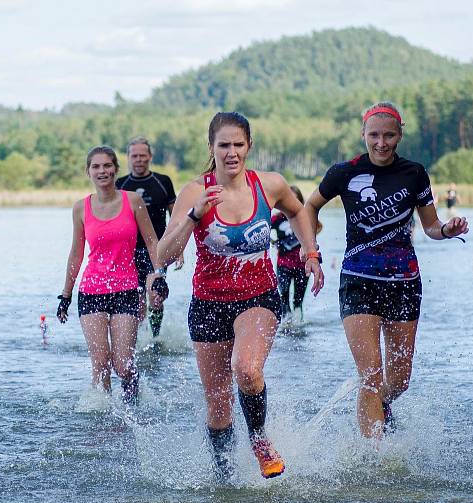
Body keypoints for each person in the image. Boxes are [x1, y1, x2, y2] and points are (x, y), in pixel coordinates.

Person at [157, 112, 324, 479]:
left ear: (249, 145)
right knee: (218, 406)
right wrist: (193, 214)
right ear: (211, 148)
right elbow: (163, 255)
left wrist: (311, 254)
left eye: (238, 144)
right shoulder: (194, 191)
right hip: (208, 302)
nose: (231, 153)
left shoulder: (270, 185)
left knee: (247, 370)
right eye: (223, 145)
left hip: (259, 296)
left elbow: (299, 212)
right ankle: (225, 480)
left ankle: (260, 440)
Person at [304, 102, 468, 438]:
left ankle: (380, 407)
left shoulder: (414, 173)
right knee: (370, 376)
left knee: (399, 381)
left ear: (400, 135)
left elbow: (431, 225)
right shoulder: (344, 172)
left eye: (389, 135)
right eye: (374, 135)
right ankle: (372, 458)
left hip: (404, 283)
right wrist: (311, 251)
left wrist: (446, 230)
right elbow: (309, 207)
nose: (382, 142)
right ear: (363, 134)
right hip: (358, 280)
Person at [57, 145, 167, 404]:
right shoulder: (81, 208)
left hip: (127, 290)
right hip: (92, 292)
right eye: (96, 166)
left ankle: (132, 410)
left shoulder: (133, 201)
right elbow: (76, 254)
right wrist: (65, 295)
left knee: (123, 365)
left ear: (116, 169)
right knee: (100, 364)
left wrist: (158, 275)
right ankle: (103, 423)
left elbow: (152, 242)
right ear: (88, 172)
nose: (102, 171)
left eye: (107, 165)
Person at [116, 137, 181, 338]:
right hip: (130, 252)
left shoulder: (162, 182)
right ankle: (140, 339)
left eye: (143, 155)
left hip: (157, 250)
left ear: (150, 156)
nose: (139, 159)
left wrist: (177, 248)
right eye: (134, 156)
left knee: (155, 296)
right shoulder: (121, 184)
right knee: (137, 301)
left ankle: (155, 337)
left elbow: (176, 217)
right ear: (128, 158)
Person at [271, 185, 321, 322]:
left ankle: (299, 327)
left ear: (299, 200)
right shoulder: (276, 219)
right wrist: (273, 242)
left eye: (295, 198)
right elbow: (262, 230)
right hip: (283, 264)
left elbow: (318, 227)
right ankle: (286, 326)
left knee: (298, 301)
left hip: (302, 265)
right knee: (284, 296)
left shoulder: (303, 217)